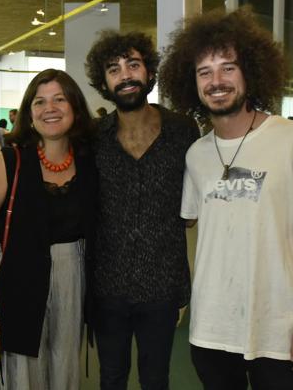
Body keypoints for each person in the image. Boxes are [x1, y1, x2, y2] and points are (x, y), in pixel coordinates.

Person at [159, 8, 293, 389]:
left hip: (281, 329)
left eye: (228, 67)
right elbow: (191, 226)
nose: (216, 81)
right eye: (204, 71)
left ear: (250, 72)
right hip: (211, 330)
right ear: (191, 83)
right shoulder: (196, 155)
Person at [85, 30, 199, 390]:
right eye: (114, 69)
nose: (125, 75)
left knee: (155, 378)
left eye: (133, 64)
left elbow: (194, 203)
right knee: (112, 377)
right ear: (103, 82)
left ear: (149, 72)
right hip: (107, 284)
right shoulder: (93, 137)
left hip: (162, 283)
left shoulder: (183, 130)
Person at [0, 69, 96, 389]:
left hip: (74, 273)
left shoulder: (89, 159)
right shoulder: (11, 160)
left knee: (64, 361)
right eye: (39, 101)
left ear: (75, 107)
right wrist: (1, 282)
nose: (49, 108)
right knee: (23, 367)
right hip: (20, 274)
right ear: (29, 112)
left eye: (59, 99)